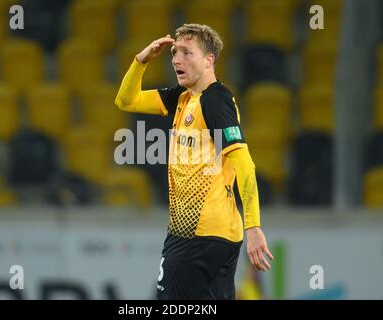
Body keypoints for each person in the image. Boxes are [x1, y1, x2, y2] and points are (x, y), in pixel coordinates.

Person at [115, 23, 273, 300]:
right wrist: (141, 61)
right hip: (222, 237)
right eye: (175, 52)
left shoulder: (215, 100)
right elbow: (126, 101)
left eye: (187, 53)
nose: (176, 59)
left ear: (208, 60)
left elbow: (244, 162)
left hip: (195, 235)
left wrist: (255, 226)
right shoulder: (182, 97)